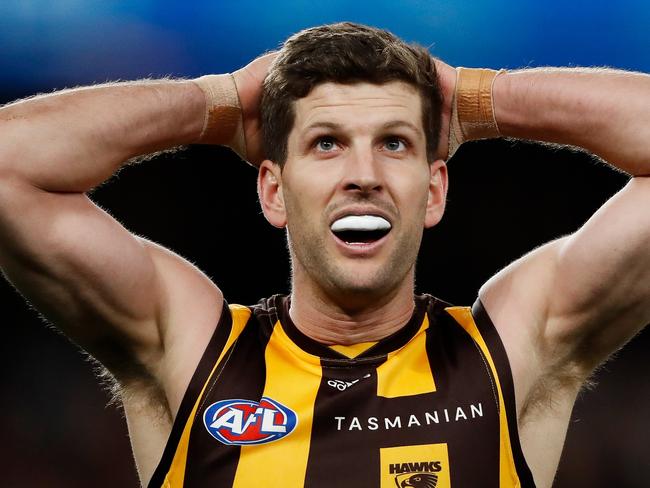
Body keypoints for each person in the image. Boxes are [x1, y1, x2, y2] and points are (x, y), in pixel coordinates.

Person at [0, 21, 648, 488]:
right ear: (274, 190)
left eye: (394, 143)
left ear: (434, 189)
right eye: (327, 144)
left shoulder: (511, 350)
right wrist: (217, 103)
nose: (363, 174)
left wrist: (483, 99)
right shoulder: (191, 349)